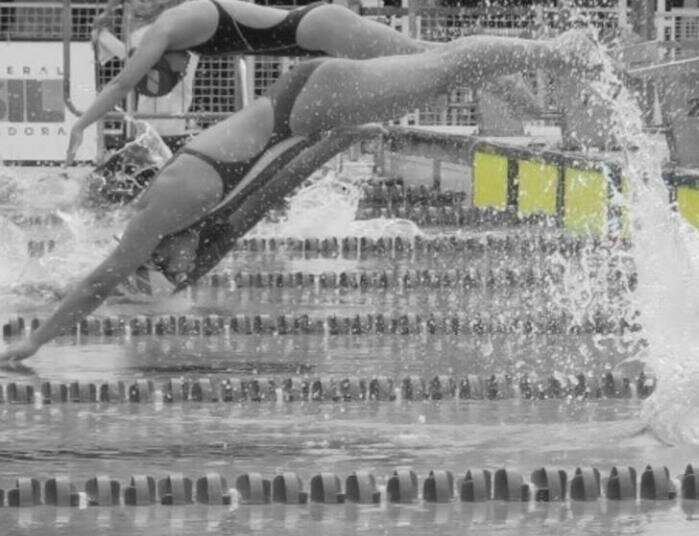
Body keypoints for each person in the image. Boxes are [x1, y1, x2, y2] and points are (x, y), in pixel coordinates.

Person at [0, 31, 597, 362]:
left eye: (164, 273)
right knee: (440, 69)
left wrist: (34, 341)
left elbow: (102, 280)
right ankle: (535, 76)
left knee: (441, 67)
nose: (178, 277)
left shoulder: (171, 203)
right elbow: (287, 172)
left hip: (305, 101)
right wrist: (346, 137)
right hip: (307, 117)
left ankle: (558, 49)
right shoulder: (197, 214)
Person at [63, 0, 433, 161]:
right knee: (427, 61)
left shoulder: (166, 30)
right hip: (321, 33)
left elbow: (121, 83)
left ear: (157, 61)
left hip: (325, 29)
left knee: (428, 59)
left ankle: (488, 53)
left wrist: (81, 124)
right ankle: (487, 60)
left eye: (174, 73)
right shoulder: (173, 34)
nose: (183, 69)